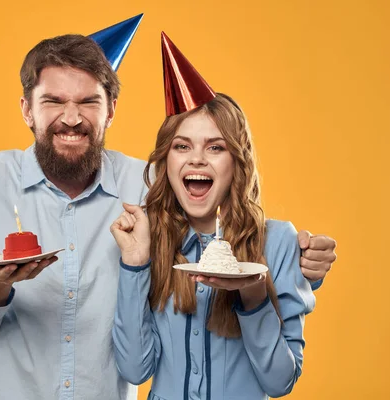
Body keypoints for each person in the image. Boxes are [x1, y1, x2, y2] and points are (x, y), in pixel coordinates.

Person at [0, 26, 336, 400]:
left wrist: (300, 265)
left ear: (110, 109)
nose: (72, 118)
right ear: (27, 109)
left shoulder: (148, 186)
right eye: (54, 101)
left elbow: (216, 235)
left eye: (88, 101)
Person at [110, 32, 318, 399]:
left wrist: (253, 296)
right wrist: (134, 264)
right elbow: (135, 369)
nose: (196, 159)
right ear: (166, 160)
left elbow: (280, 381)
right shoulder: (153, 242)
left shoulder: (280, 242)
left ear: (237, 161)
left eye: (215, 147)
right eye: (182, 146)